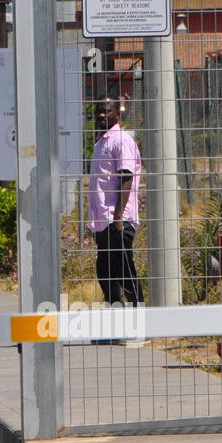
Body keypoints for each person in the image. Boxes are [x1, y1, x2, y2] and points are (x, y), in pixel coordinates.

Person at [87, 94, 143, 307]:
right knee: (106, 274)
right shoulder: (102, 141)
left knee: (124, 273)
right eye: (98, 111)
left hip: (117, 220)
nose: (102, 115)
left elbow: (126, 177)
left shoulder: (121, 140)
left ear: (116, 113)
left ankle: (138, 322)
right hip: (103, 220)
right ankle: (116, 323)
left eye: (107, 110)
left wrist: (118, 218)